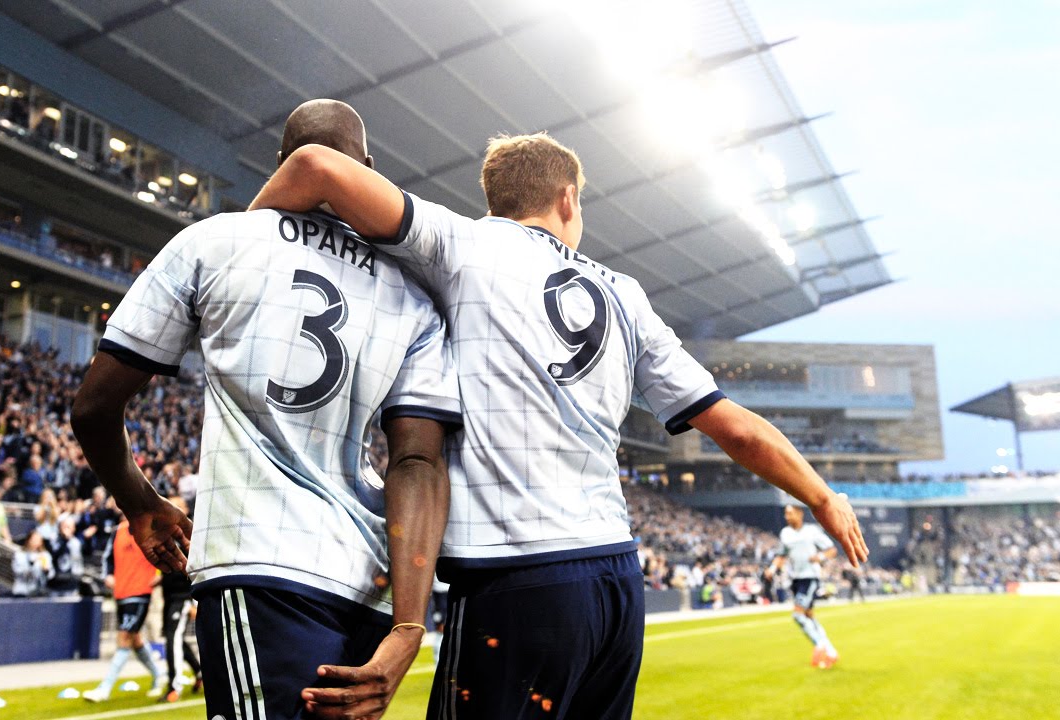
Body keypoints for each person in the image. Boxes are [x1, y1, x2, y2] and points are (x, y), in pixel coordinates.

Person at [250, 133, 869, 719]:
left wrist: (241, 254)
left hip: (515, 580)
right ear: (568, 199)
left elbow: (316, 165)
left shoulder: (462, 244)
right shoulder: (623, 294)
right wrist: (821, 496)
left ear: (496, 197)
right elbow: (735, 428)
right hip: (614, 581)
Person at [70, 99, 460, 720]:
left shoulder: (215, 241)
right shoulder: (413, 294)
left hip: (261, 564)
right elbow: (418, 461)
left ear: (280, 163)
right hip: (370, 582)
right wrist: (410, 624)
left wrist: (141, 503)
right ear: (367, 169)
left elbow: (94, 407)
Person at [82, 516, 166, 702]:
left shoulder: (151, 528)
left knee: (125, 637)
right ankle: (158, 674)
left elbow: (166, 552)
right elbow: (107, 558)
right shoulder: (118, 531)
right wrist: (108, 575)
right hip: (121, 591)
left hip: (141, 591)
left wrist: (162, 576)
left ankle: (104, 689)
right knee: (135, 639)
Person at [766, 504, 840, 668]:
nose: (787, 516)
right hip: (796, 579)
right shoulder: (785, 533)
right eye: (786, 513)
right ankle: (832, 652)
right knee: (808, 616)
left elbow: (831, 550)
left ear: (799, 514)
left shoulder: (812, 531)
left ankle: (820, 645)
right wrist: (772, 569)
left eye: (790, 513)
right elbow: (781, 555)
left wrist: (820, 557)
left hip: (810, 577)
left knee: (798, 615)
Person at [157, 498, 202, 704]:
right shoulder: (166, 533)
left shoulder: (190, 533)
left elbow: (197, 568)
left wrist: (194, 601)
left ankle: (174, 686)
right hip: (169, 596)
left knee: (173, 639)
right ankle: (199, 672)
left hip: (183, 597)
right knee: (173, 638)